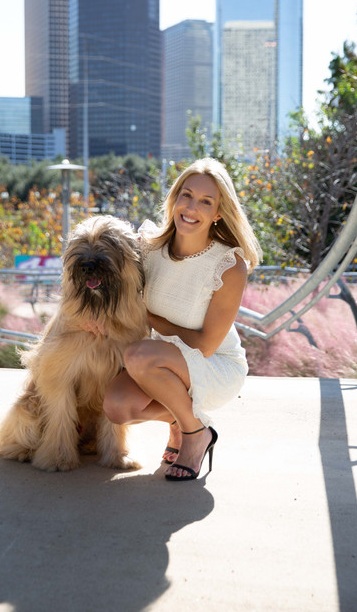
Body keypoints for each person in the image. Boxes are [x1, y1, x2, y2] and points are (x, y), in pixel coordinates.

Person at [103, 157, 262, 482]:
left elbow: (205, 345)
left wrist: (148, 316)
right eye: (186, 195)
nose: (192, 207)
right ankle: (179, 418)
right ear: (174, 198)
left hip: (214, 366)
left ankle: (195, 433)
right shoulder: (147, 247)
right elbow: (111, 286)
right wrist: (95, 319)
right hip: (156, 365)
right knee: (117, 407)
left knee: (137, 354)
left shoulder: (228, 265)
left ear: (218, 212)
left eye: (206, 201)